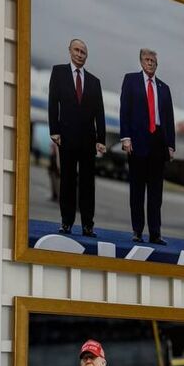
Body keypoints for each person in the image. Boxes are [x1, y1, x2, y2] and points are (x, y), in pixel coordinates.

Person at [48, 38, 106, 238]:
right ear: (70, 51)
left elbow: (100, 112)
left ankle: (88, 225)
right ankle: (66, 222)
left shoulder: (94, 82)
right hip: (66, 137)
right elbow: (53, 102)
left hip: (88, 140)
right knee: (67, 181)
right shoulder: (58, 72)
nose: (80, 55)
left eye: (83, 52)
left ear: (86, 56)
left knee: (88, 184)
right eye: (77, 50)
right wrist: (54, 130)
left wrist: (101, 139)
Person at [119, 48, 176, 244]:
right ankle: (137, 231)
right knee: (137, 190)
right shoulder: (131, 80)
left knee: (155, 193)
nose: (150, 63)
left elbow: (169, 119)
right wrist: (125, 137)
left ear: (156, 64)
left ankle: (155, 233)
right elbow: (124, 110)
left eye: (153, 60)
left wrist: (170, 145)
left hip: (158, 143)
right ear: (141, 61)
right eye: (147, 59)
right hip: (137, 141)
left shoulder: (164, 88)